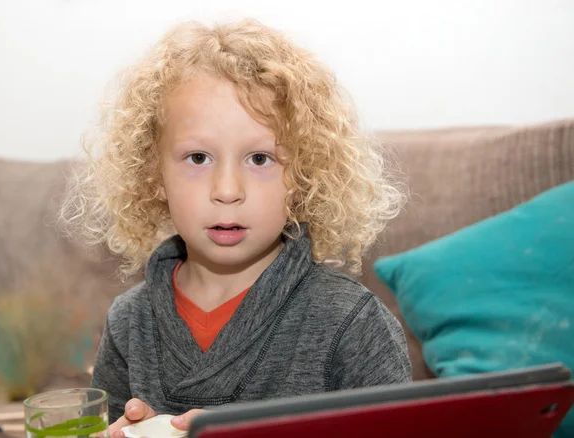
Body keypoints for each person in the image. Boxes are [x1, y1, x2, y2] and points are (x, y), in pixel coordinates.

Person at [61, 18, 411, 438]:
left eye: (260, 159)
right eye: (198, 158)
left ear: (303, 175)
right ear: (155, 174)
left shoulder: (352, 324)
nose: (227, 190)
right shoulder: (128, 322)